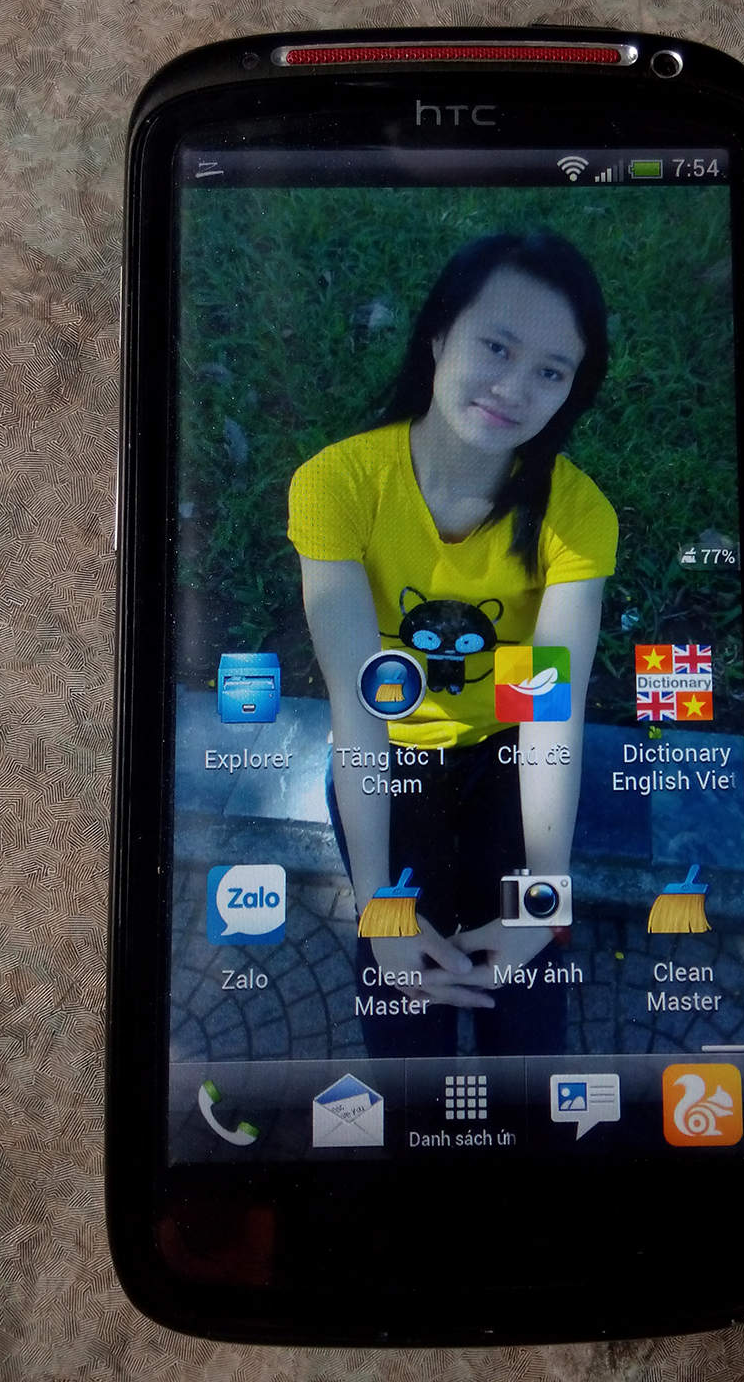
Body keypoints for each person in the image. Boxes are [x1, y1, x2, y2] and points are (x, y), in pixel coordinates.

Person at [288, 231, 618, 1057]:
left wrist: (544, 893)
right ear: (438, 334)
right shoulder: (339, 486)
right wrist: (379, 906)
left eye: (551, 371)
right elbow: (360, 708)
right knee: (402, 1020)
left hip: (509, 752)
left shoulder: (575, 517)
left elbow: (546, 706)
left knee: (530, 1024)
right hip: (390, 751)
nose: (514, 389)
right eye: (496, 347)